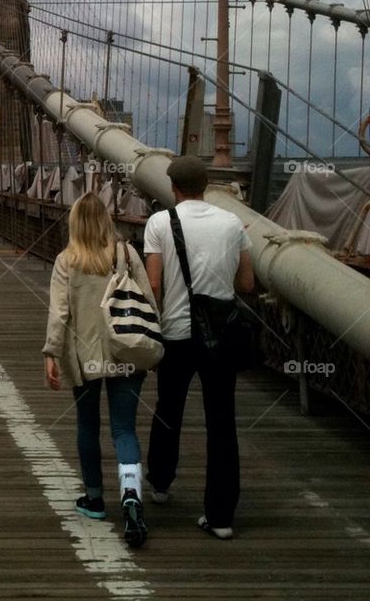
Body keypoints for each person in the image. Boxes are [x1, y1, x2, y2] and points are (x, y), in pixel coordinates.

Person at [144, 156, 253, 540]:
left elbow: (154, 285)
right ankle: (221, 516)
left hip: (176, 335)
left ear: (173, 187)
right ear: (207, 185)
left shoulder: (160, 223)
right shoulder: (232, 223)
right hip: (220, 337)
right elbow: (246, 284)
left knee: (168, 409)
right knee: (221, 422)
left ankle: (159, 482)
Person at [43, 192, 159, 549]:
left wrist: (50, 353)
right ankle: (131, 496)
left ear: (75, 222)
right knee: (124, 429)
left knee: (87, 425)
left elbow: (60, 313)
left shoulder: (67, 260)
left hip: (86, 354)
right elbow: (148, 303)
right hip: (125, 351)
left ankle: (94, 499)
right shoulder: (127, 253)